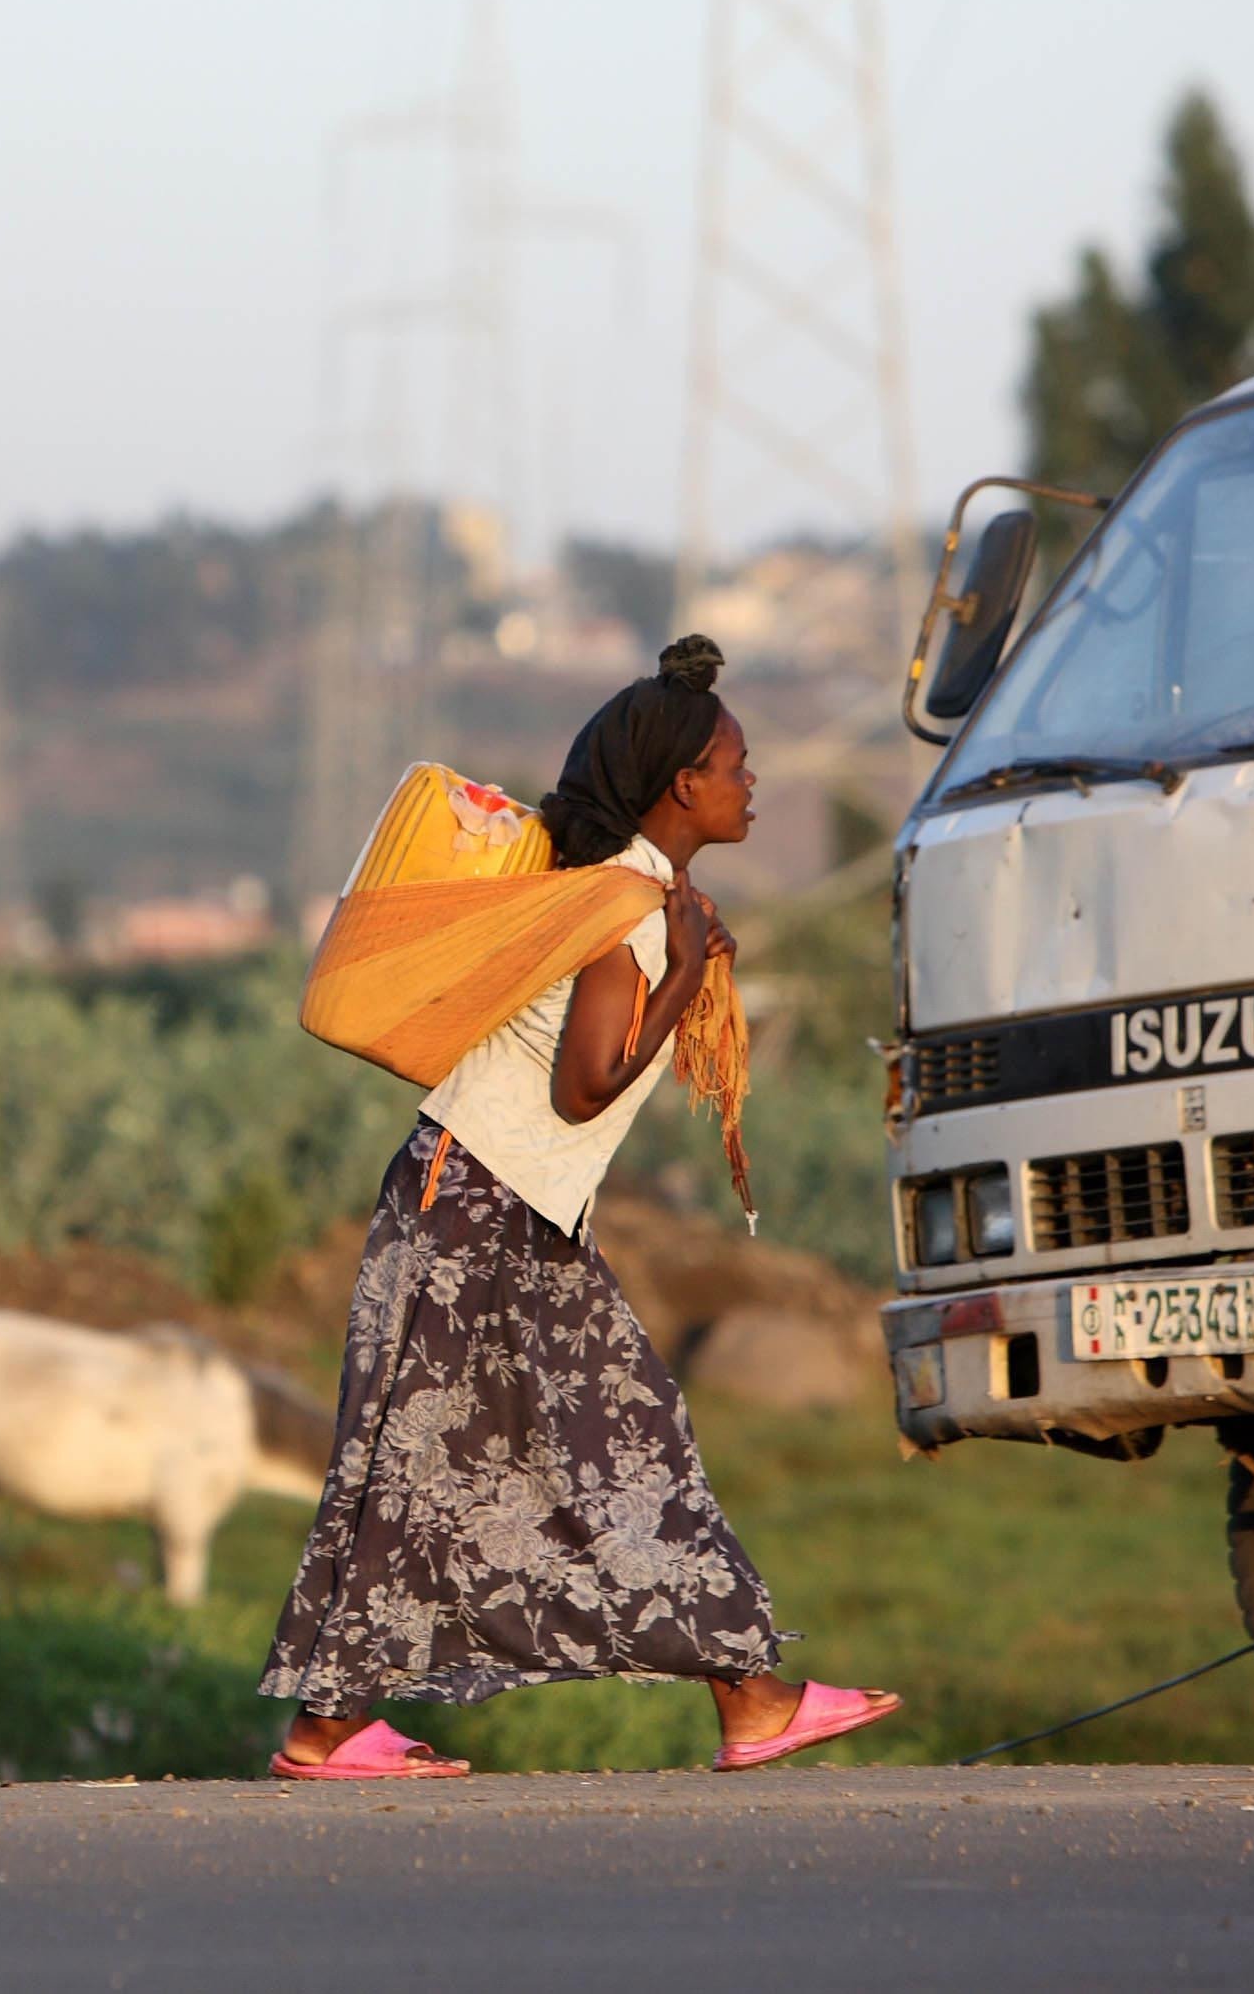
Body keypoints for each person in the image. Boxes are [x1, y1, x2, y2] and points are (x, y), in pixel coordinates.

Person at [260, 636, 899, 1778]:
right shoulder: (627, 914)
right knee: (501, 1451)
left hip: (497, 1201)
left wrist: (689, 951)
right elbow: (587, 1080)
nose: (754, 782)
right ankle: (743, 1696)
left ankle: (742, 1696)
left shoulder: (645, 900)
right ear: (679, 786)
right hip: (475, 1206)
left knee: (573, 1444)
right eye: (737, 765)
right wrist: (689, 976)